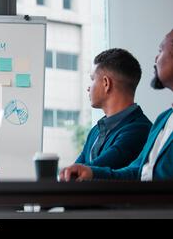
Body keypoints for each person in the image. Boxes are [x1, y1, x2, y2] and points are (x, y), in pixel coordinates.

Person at [60, 30, 173, 182]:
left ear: (106, 83)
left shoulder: (139, 129)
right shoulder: (163, 119)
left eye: (161, 50)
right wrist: (89, 173)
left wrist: (89, 173)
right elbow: (137, 172)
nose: (156, 58)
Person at [74, 49, 152, 169]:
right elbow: (76, 171)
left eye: (92, 79)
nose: (88, 88)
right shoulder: (96, 131)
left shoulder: (139, 129)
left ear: (106, 83)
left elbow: (88, 172)